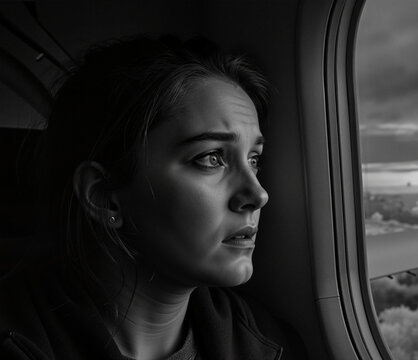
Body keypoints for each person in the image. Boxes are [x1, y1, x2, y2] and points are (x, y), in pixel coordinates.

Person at [0, 35, 294, 360]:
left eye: (254, 159)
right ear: (103, 196)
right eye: (211, 157)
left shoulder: (268, 345)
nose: (258, 194)